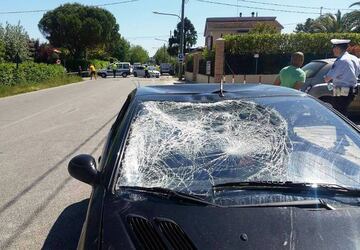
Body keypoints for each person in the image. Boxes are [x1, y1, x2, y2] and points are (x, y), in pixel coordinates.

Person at [324, 39, 360, 116]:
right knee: (343, 112)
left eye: (334, 47)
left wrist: (326, 78)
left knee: (339, 115)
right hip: (352, 90)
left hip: (341, 91)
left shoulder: (341, 60)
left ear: (338, 48)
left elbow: (328, 78)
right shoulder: (354, 58)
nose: (333, 50)